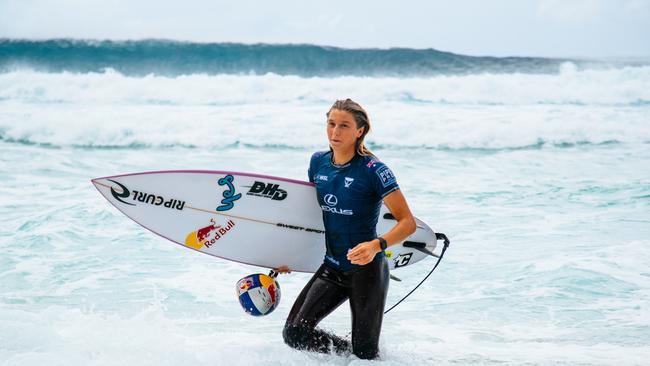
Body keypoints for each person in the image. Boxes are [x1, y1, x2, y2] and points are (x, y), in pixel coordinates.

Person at [281, 98, 417, 360]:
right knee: (295, 333)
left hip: (367, 270)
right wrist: (287, 257)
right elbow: (311, 220)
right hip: (332, 266)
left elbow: (407, 222)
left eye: (344, 126)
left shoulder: (374, 170)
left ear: (360, 131)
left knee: (366, 353)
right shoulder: (318, 163)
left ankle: (358, 357)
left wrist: (376, 245)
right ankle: (346, 357)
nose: (335, 132)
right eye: (331, 124)